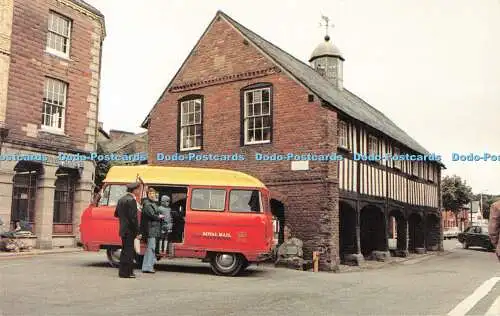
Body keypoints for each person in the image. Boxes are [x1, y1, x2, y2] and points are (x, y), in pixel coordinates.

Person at [114, 182, 142, 278]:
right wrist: (138, 232)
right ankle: (127, 273)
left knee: (125, 251)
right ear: (134, 190)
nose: (139, 191)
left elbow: (116, 214)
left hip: (123, 229)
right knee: (129, 252)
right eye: (139, 189)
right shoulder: (132, 200)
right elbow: (133, 218)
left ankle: (122, 272)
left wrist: (124, 218)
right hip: (130, 230)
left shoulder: (121, 199)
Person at [140, 187, 164, 273]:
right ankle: (148, 267)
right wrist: (159, 217)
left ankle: (147, 266)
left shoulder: (150, 203)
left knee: (150, 248)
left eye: (154, 193)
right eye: (151, 193)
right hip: (151, 229)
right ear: (148, 194)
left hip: (153, 229)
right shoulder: (147, 204)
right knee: (151, 248)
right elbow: (152, 215)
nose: (153, 195)